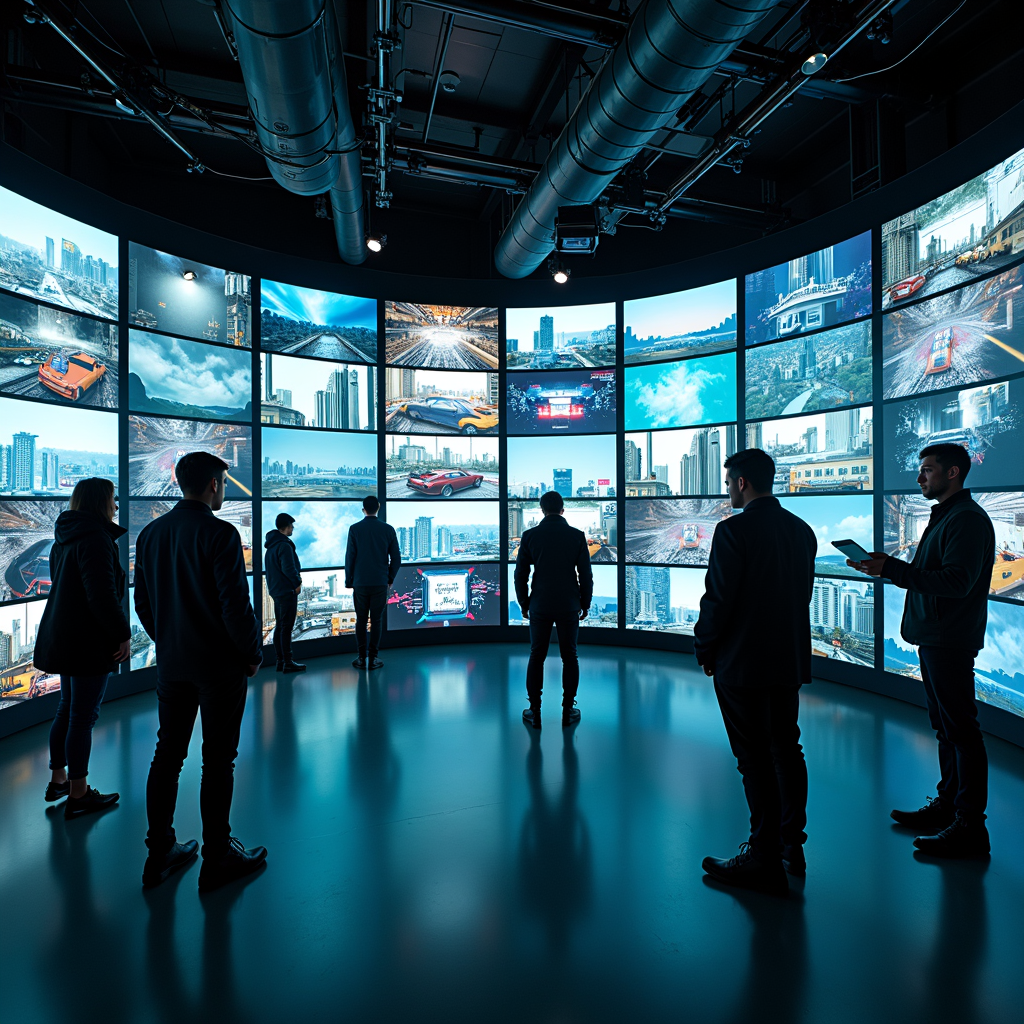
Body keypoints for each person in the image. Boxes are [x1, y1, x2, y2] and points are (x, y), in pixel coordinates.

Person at [850, 443, 995, 858]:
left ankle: (970, 826)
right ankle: (949, 806)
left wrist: (891, 569)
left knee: (961, 732)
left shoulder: (966, 519)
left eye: (927, 471)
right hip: (936, 636)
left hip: (948, 639)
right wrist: (888, 566)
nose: (919, 478)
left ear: (953, 473)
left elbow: (956, 582)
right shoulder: (950, 515)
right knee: (947, 728)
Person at [134, 451, 266, 891]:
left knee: (167, 755)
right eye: (224, 483)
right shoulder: (221, 533)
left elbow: (144, 606)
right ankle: (216, 859)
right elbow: (235, 606)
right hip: (219, 668)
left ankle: (159, 855)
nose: (224, 490)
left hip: (172, 666)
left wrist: (170, 642)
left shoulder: (150, 534)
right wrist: (250, 653)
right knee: (218, 761)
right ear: (213, 484)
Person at [693, 448, 816, 895]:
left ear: (742, 482)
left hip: (742, 662)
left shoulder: (733, 531)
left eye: (729, 483)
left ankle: (762, 855)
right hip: (787, 660)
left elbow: (719, 599)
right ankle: (790, 846)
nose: (728, 490)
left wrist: (705, 646)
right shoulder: (802, 531)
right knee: (787, 749)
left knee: (753, 758)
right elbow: (801, 594)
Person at [34, 478, 130, 819]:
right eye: (113, 500)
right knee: (82, 717)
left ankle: (59, 779)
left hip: (64, 636)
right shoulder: (96, 539)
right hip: (87, 641)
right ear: (100, 502)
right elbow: (101, 595)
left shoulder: (66, 537)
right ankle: (78, 794)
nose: (116, 506)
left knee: (67, 709)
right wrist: (122, 634)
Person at [514, 490, 593, 729]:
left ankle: (534, 711)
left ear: (542, 510)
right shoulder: (577, 536)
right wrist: (585, 603)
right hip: (569, 604)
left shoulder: (530, 536)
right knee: (570, 656)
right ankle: (568, 710)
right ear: (562, 510)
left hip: (540, 604)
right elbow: (586, 575)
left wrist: (524, 603)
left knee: (537, 655)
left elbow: (520, 575)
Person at [345, 495, 401, 670]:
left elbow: (350, 558)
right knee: (376, 621)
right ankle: (374, 658)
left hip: (360, 583)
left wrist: (349, 580)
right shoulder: (388, 529)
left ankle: (361, 658)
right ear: (378, 507)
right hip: (379, 583)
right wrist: (389, 578)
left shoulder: (354, 529)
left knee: (361, 620)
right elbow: (397, 559)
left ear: (363, 510)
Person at [264, 512, 305, 673]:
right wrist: (297, 584)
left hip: (276, 590)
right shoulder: (284, 545)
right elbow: (289, 568)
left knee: (280, 627)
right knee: (286, 627)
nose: (293, 529)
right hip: (286, 591)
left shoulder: (271, 546)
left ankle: (280, 661)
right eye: (291, 526)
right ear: (285, 527)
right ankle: (288, 662)